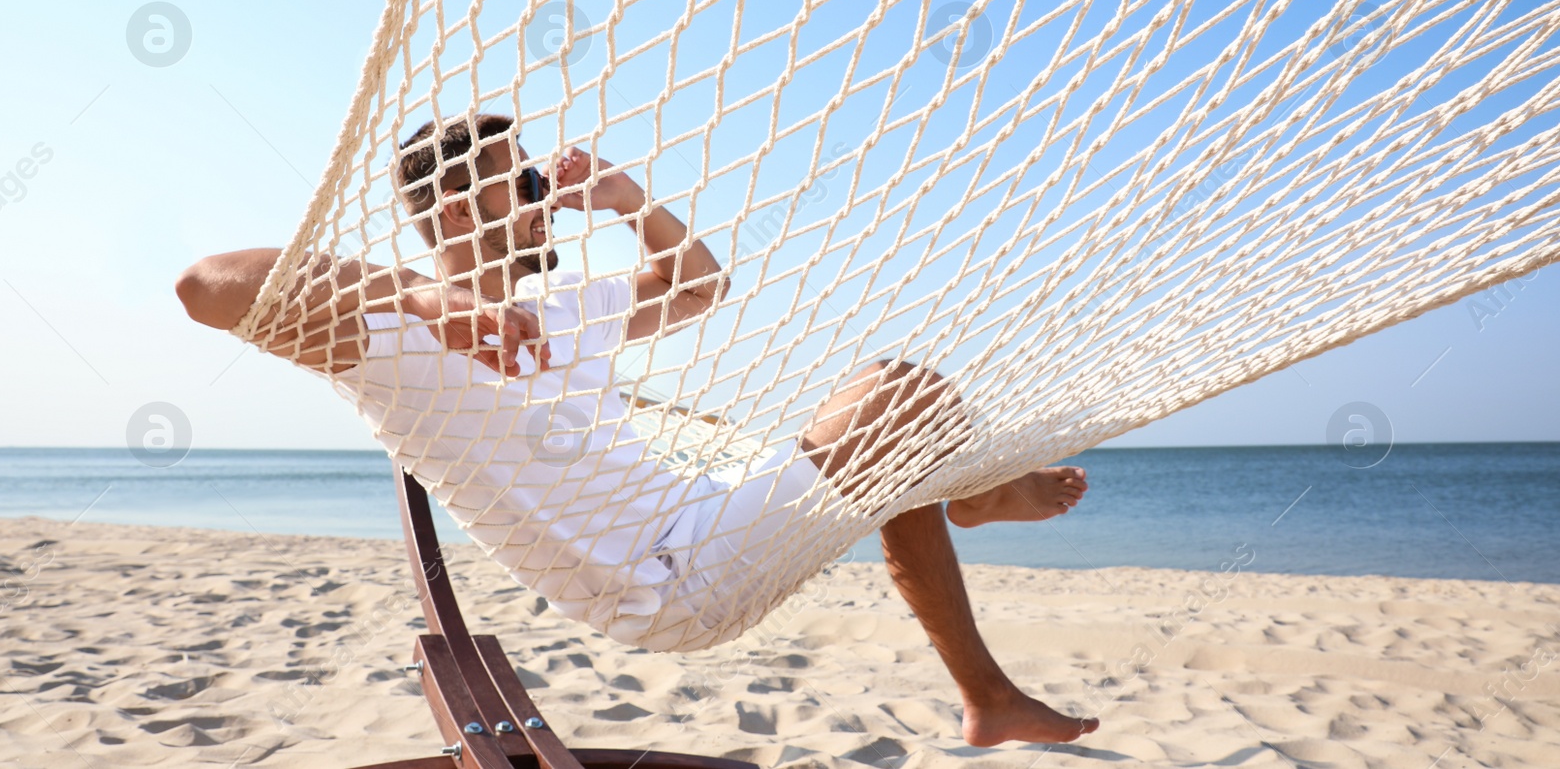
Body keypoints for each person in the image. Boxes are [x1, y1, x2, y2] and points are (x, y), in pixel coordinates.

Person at [176, 113, 1097, 746]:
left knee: (887, 407)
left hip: (717, 515)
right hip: (666, 581)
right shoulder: (379, 332)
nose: (542, 194)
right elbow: (205, 285)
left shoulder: (561, 306)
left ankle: (985, 675)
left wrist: (625, 201)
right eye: (524, 181)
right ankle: (973, 499)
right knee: (895, 396)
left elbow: (698, 288)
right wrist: (420, 297)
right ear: (459, 209)